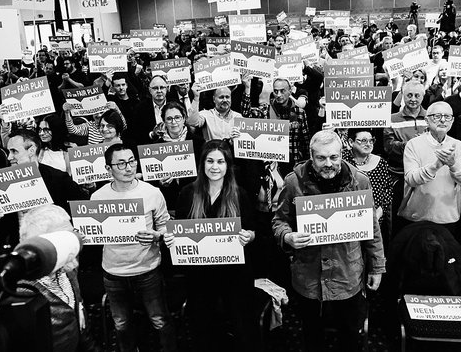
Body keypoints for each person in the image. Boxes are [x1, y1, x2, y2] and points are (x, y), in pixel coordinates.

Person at [272, 130, 385, 352]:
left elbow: (372, 227)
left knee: (350, 335)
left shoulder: (359, 181)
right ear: (311, 157)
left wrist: (377, 267)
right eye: (321, 158)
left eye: (334, 157)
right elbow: (279, 221)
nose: (328, 163)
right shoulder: (293, 182)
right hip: (308, 275)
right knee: (312, 334)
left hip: (347, 273)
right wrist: (287, 236)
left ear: (342, 155)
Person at [164, 140, 257, 352]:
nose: (215, 167)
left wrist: (248, 236)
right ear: (202, 163)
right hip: (200, 273)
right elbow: (178, 230)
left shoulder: (239, 194)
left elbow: (253, 230)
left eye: (220, 162)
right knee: (203, 326)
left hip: (234, 273)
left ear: (228, 165)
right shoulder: (188, 193)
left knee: (242, 325)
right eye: (210, 161)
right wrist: (171, 240)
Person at [91, 143, 177, 352]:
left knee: (160, 321)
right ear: (108, 169)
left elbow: (166, 226)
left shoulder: (152, 193)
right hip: (113, 271)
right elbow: (93, 232)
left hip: (148, 269)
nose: (128, 167)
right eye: (121, 164)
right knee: (121, 325)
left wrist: (158, 236)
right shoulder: (97, 198)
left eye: (131, 162)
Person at [18, 205, 98, 352]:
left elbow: (78, 314)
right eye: (62, 241)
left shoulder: (68, 265)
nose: (71, 247)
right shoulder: (19, 292)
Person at [398, 102, 461, 236]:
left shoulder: (459, 146)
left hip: (448, 218)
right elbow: (411, 179)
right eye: (437, 116)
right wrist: (435, 166)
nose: (443, 120)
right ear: (426, 120)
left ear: (452, 121)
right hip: (417, 217)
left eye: (447, 116)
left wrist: (452, 164)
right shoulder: (413, 145)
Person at [242, 77, 311, 176]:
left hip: (294, 166)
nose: (278, 95)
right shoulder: (265, 111)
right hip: (272, 165)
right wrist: (247, 89)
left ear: (290, 91)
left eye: (282, 91)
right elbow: (246, 115)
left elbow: (306, 142)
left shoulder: (299, 113)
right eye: (276, 91)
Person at [151, 101, 204, 213]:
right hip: (168, 204)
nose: (173, 122)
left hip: (196, 201)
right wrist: (160, 183)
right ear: (164, 121)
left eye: (177, 117)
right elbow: (152, 180)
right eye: (169, 119)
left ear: (184, 119)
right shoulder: (155, 147)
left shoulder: (198, 142)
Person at [345, 128, 393, 245]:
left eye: (371, 141)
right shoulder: (343, 162)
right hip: (348, 222)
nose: (368, 144)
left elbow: (388, 190)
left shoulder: (380, 162)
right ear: (351, 142)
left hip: (376, 221)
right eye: (363, 140)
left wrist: (378, 213)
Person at [384, 81, 427, 174]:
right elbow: (389, 147)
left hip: (426, 170)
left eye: (417, 95)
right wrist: (411, 144)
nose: (413, 99)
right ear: (403, 96)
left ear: (423, 97)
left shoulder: (431, 117)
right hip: (399, 172)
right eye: (409, 95)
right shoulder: (391, 119)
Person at [130, 75, 169, 144]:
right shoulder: (140, 109)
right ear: (150, 90)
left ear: (167, 88)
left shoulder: (176, 105)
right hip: (151, 147)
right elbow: (136, 134)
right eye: (155, 88)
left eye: (162, 87)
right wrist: (152, 134)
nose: (159, 91)